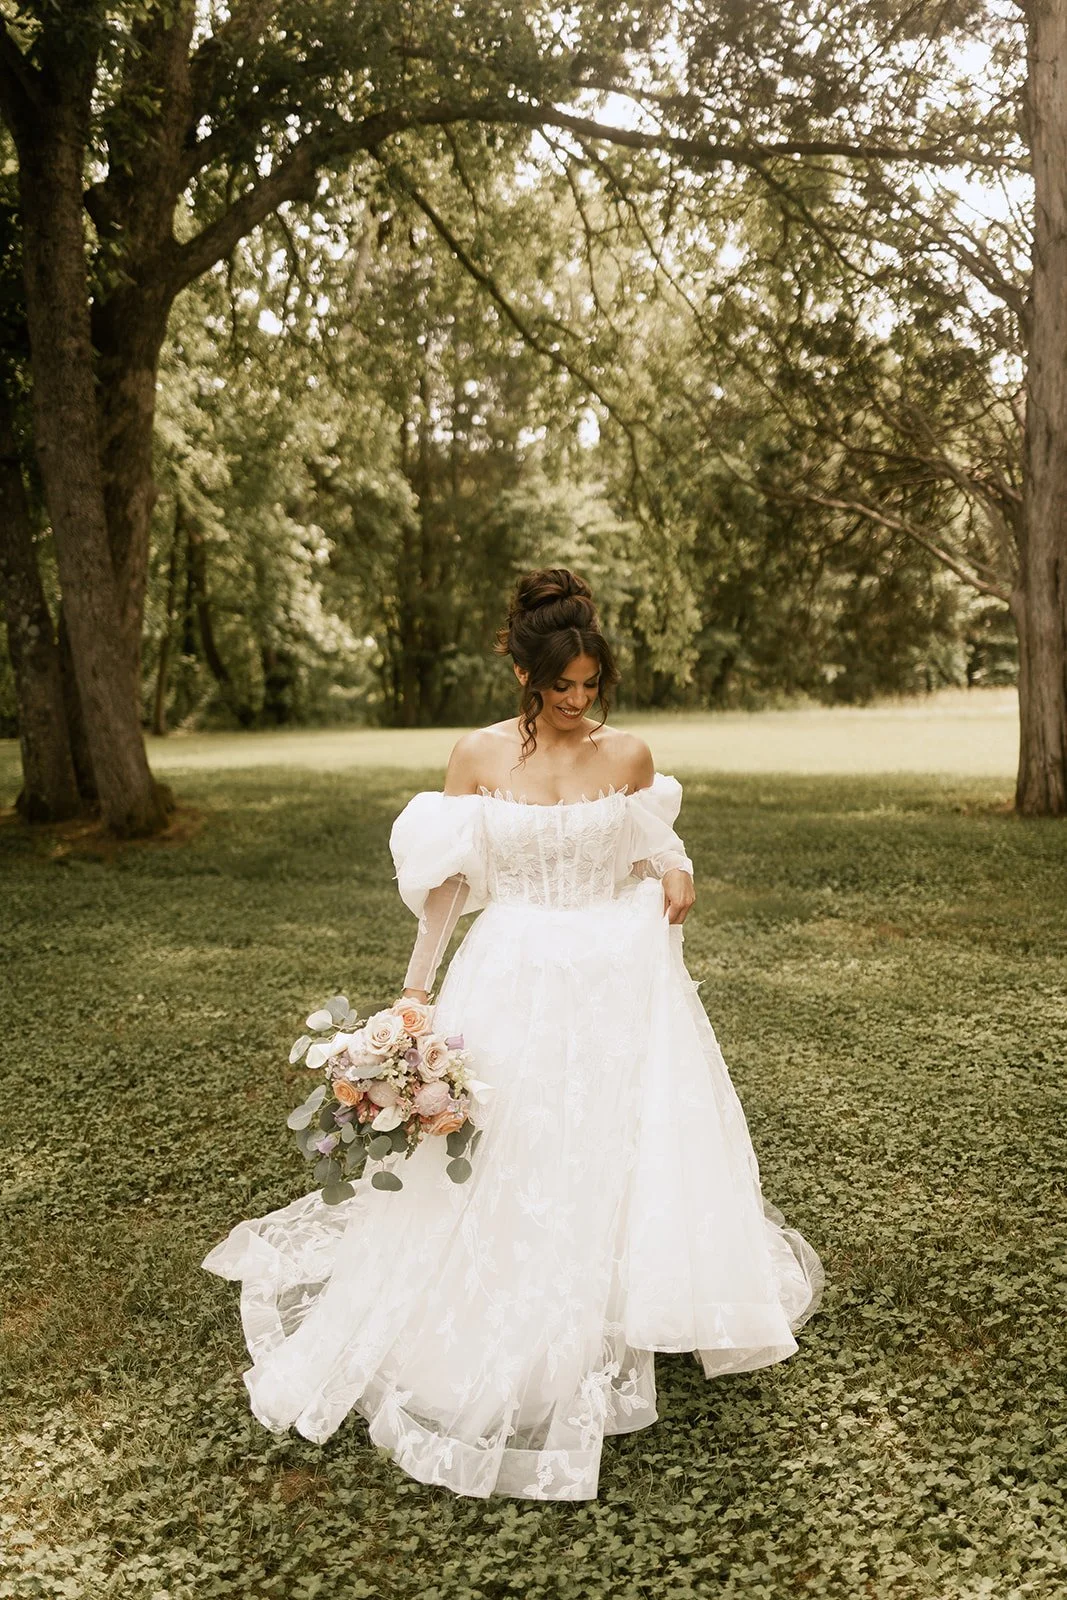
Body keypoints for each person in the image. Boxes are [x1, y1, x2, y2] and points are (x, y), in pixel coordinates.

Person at [202, 566, 825, 1502]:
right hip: (513, 964)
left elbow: (645, 839)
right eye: (561, 687)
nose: (579, 703)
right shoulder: (476, 759)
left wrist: (675, 864)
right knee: (513, 1140)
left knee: (617, 1135)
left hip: (615, 969)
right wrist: (413, 995)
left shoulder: (629, 757)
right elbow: (450, 884)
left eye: (591, 686)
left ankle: (626, 1296)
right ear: (526, 677)